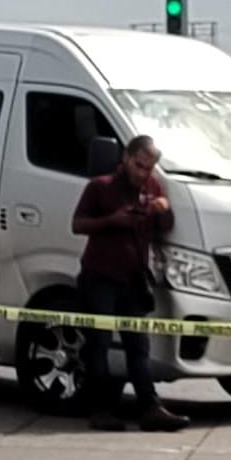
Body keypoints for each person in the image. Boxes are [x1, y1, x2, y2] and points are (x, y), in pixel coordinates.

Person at [72, 135, 190, 432]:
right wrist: (112, 220)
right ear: (126, 158)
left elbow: (165, 227)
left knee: (138, 346)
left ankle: (150, 407)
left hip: (134, 279)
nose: (143, 174)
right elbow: (78, 224)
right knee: (98, 344)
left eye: (149, 169)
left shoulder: (152, 188)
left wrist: (163, 210)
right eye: (139, 166)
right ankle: (100, 409)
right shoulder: (101, 187)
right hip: (100, 276)